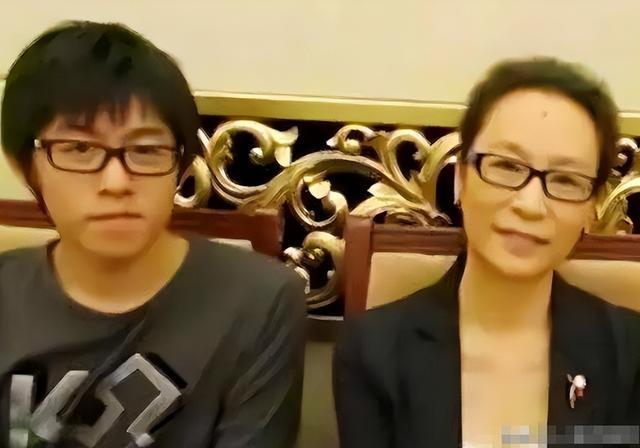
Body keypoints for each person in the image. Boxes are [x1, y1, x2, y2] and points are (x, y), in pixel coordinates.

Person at [0, 21, 306, 448]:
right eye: (79, 149)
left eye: (145, 150)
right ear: (25, 167)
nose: (116, 182)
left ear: (180, 166)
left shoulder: (260, 301)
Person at [333, 57, 640, 447]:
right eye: (507, 167)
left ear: (591, 207)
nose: (530, 205)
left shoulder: (629, 354)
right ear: (461, 178)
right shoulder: (374, 350)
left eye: (565, 179)